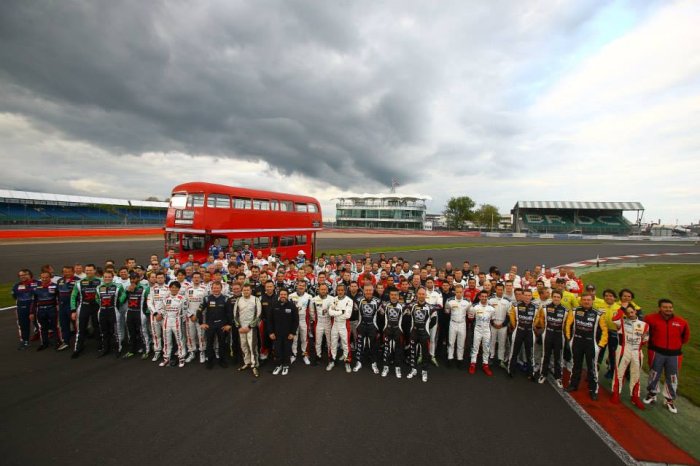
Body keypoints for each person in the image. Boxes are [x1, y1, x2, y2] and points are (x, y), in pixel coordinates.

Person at [643, 299, 691, 414]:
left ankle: (669, 399)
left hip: (674, 354)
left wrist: (674, 346)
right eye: (665, 307)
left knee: (673, 377)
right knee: (654, 373)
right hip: (656, 352)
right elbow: (645, 333)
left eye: (670, 307)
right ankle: (652, 394)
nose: (668, 309)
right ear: (660, 308)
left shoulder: (682, 322)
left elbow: (685, 338)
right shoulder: (650, 318)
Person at [565, 293, 609, 400]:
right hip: (576, 342)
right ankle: (573, 385)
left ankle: (593, 390)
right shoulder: (574, 311)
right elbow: (568, 325)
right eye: (584, 299)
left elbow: (604, 330)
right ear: (581, 301)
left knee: (592, 368)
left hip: (591, 344)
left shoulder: (598, 314)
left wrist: (600, 345)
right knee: (576, 365)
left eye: (588, 300)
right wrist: (569, 339)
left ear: (592, 301)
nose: (586, 301)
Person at [611, 306, 649, 410]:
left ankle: (635, 396)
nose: (630, 314)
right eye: (628, 313)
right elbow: (614, 319)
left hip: (637, 351)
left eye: (632, 312)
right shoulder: (621, 322)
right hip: (623, 349)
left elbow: (645, 340)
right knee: (619, 372)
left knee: (635, 374)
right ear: (625, 314)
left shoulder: (644, 325)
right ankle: (616, 393)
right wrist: (621, 309)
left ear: (635, 311)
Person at [535, 290, 568, 387]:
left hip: (559, 335)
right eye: (555, 296)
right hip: (548, 333)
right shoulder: (545, 308)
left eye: (558, 297)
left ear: (561, 298)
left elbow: (567, 324)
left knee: (558, 357)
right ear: (552, 297)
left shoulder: (566, 310)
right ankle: (543, 374)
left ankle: (558, 377)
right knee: (546, 355)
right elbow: (540, 319)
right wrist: (541, 327)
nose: (556, 298)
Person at [70, 264, 102, 358]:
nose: (88, 272)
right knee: (81, 328)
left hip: (97, 307)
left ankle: (101, 345)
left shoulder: (100, 281)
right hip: (84, 306)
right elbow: (73, 297)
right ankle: (78, 348)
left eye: (90, 270)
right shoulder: (79, 283)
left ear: (95, 271)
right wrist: (73, 310)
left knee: (97, 326)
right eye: (87, 270)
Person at [407, 288, 437, 382]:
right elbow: (407, 318)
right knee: (413, 352)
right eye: (419, 294)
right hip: (414, 333)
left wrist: (426, 327)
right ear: (417, 295)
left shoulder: (431, 307)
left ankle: (424, 371)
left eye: (423, 294)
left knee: (425, 354)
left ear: (425, 295)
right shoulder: (411, 305)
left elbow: (434, 321)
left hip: (424, 333)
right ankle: (413, 369)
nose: (421, 295)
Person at [507, 289, 538, 378]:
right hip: (518, 330)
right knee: (514, 352)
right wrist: (515, 326)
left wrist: (533, 326)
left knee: (530, 354)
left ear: (531, 296)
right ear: (522, 296)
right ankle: (511, 370)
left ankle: (530, 373)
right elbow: (512, 318)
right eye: (526, 295)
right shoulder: (515, 305)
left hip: (529, 332)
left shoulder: (536, 307)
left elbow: (538, 318)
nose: (527, 297)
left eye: (529, 295)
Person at [157, 281, 189, 368]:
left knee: (179, 340)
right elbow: (162, 309)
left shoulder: (183, 298)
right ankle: (166, 358)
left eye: (176, 287)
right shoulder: (165, 298)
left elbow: (185, 311)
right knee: (167, 340)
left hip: (177, 320)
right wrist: (161, 315)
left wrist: (181, 319)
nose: (174, 289)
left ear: (179, 289)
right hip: (166, 321)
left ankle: (181, 358)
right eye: (172, 287)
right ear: (169, 288)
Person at [233, 284, 262, 377]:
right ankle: (247, 362)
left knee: (252, 346)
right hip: (241, 328)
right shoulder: (238, 300)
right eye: (244, 290)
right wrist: (239, 326)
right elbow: (235, 315)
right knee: (243, 345)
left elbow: (259, 315)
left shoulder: (255, 299)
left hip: (251, 328)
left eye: (248, 290)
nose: (246, 291)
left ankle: (254, 365)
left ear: (251, 291)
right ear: (242, 291)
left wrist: (250, 326)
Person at [96, 271, 126, 357]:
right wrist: (101, 304)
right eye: (105, 277)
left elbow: (123, 295)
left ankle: (118, 348)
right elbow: (97, 298)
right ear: (103, 277)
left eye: (109, 277)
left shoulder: (118, 286)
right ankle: (106, 348)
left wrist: (119, 302)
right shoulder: (99, 287)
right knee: (104, 331)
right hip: (102, 310)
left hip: (113, 310)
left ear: (112, 278)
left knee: (116, 331)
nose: (107, 278)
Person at [269, 289, 299, 375]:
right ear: (279, 295)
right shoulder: (274, 305)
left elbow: (295, 321)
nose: (283, 296)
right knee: (277, 350)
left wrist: (292, 333)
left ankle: (286, 365)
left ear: (287, 295)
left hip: (288, 334)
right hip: (276, 334)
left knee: (287, 350)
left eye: (285, 294)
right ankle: (278, 365)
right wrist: (271, 332)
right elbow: (270, 320)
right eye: (281, 294)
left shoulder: (292, 306)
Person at [353, 284, 381, 374]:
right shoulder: (358, 300)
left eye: (370, 290)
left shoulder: (378, 301)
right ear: (363, 291)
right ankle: (359, 362)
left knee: (373, 345)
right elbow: (354, 312)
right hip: (361, 325)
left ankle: (374, 363)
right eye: (366, 290)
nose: (368, 292)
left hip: (372, 326)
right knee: (360, 344)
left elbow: (381, 315)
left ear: (373, 291)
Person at [327, 283, 354, 372]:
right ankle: (332, 360)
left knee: (346, 344)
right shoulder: (334, 299)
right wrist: (341, 311)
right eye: (339, 290)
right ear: (336, 290)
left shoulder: (349, 300)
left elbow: (347, 315)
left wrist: (336, 312)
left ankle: (347, 362)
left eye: (342, 290)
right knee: (333, 343)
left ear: (345, 291)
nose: (340, 292)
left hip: (344, 325)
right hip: (335, 324)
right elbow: (330, 312)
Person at [123, 272, 150, 359]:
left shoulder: (145, 288)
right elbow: (121, 300)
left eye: (134, 278)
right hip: (130, 312)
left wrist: (147, 313)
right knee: (131, 333)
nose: (132, 280)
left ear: (139, 279)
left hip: (140, 313)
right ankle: (132, 350)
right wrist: (127, 291)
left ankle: (147, 350)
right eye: (131, 279)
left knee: (143, 332)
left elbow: (149, 302)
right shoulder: (128, 288)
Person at [469, 290, 495, 375]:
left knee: (486, 348)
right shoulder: (474, 307)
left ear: (487, 297)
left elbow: (492, 320)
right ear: (479, 297)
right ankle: (473, 364)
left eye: (485, 296)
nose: (484, 298)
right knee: (475, 347)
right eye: (482, 296)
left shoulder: (491, 308)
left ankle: (485, 365)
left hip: (487, 330)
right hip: (477, 329)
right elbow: (470, 319)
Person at [380, 289, 405, 378]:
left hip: (398, 330)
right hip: (388, 330)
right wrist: (384, 329)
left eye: (395, 295)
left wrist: (401, 330)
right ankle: (385, 367)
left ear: (398, 296)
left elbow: (405, 321)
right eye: (392, 295)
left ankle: (397, 368)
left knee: (398, 350)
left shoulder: (402, 306)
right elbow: (383, 318)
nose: (394, 296)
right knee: (386, 349)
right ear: (389, 296)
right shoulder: (385, 306)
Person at [33, 271, 60, 351]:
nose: (44, 279)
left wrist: (58, 306)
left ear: (50, 277)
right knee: (43, 327)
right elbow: (34, 301)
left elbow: (59, 298)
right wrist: (32, 312)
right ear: (40, 278)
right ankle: (44, 343)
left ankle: (57, 342)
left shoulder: (55, 286)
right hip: (41, 310)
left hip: (52, 309)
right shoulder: (36, 288)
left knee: (55, 327)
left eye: (46, 277)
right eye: (43, 277)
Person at [445, 284, 471, 367]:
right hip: (453, 323)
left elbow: (470, 313)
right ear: (454, 292)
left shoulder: (467, 302)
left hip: (462, 324)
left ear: (463, 292)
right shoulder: (449, 301)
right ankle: (450, 358)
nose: (459, 294)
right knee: (451, 342)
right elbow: (447, 311)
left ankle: (460, 359)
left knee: (461, 343)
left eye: (460, 292)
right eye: (457, 292)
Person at [185, 272, 208, 364]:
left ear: (201, 278)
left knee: (201, 335)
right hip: (190, 316)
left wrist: (199, 315)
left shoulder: (204, 289)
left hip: (201, 316)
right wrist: (191, 315)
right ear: (192, 278)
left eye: (198, 277)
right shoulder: (188, 289)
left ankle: (202, 351)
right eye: (194, 277)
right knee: (190, 335)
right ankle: (192, 352)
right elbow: (185, 304)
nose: (196, 279)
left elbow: (206, 303)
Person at [13, 269, 38, 350]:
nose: (22, 276)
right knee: (23, 325)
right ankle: (25, 341)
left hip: (35, 307)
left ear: (30, 274)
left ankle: (45, 340)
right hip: (22, 309)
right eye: (20, 275)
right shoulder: (16, 285)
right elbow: (15, 297)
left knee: (40, 324)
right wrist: (17, 308)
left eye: (24, 274)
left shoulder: (37, 283)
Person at [147, 272, 169, 362]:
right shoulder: (152, 289)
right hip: (154, 316)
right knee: (156, 335)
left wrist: (162, 314)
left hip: (165, 316)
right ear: (156, 279)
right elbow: (149, 302)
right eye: (158, 277)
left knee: (166, 335)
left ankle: (167, 352)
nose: (160, 279)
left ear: (164, 278)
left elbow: (169, 303)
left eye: (161, 277)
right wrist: (155, 314)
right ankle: (157, 351)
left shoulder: (168, 288)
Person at [289, 280, 312, 365]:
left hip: (303, 320)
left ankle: (305, 355)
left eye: (303, 285)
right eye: (299, 285)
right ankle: (293, 354)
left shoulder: (309, 297)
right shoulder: (291, 296)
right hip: (293, 320)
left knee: (304, 338)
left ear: (305, 287)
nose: (301, 287)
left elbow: (311, 310)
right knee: (294, 338)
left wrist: (311, 320)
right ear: (296, 286)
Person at [489, 283, 511, 369]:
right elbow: (488, 313)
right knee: (492, 341)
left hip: (503, 325)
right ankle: (491, 356)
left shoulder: (507, 301)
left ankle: (501, 359)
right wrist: (493, 323)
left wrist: (503, 324)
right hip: (493, 324)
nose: (500, 291)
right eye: (498, 289)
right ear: (495, 289)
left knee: (502, 342)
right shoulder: (490, 300)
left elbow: (509, 315)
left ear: (503, 290)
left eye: (501, 290)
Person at [310, 283, 333, 364]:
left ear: (327, 290)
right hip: (319, 322)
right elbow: (312, 312)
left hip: (328, 322)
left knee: (330, 341)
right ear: (318, 290)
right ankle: (318, 356)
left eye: (325, 289)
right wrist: (315, 320)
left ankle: (331, 357)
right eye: (321, 289)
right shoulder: (314, 299)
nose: (323, 291)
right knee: (318, 341)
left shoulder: (332, 299)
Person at [56, 266, 78, 351]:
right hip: (62, 306)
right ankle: (65, 341)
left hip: (73, 306)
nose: (67, 273)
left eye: (69, 272)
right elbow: (57, 293)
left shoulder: (77, 280)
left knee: (76, 325)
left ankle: (78, 341)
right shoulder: (60, 281)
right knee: (63, 324)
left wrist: (76, 306)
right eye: (65, 272)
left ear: (73, 272)